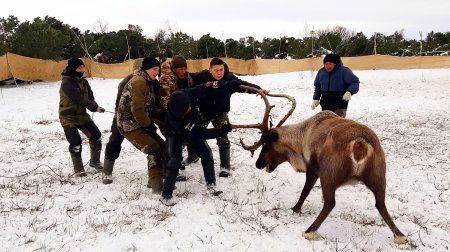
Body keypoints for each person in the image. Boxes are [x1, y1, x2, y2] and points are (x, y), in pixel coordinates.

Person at [160, 79, 264, 206]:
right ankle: (166, 195)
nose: (188, 110)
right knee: (175, 159)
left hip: (193, 126)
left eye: (188, 108)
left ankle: (211, 184)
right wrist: (222, 130)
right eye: (184, 113)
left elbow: (205, 86)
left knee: (206, 153)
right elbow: (202, 133)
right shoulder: (178, 121)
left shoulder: (189, 93)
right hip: (174, 132)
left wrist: (220, 84)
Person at [192, 58, 251, 177]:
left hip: (220, 113)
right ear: (210, 70)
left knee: (222, 137)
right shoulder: (202, 76)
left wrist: (260, 90)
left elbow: (243, 85)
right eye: (216, 70)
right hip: (203, 112)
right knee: (195, 135)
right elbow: (188, 77)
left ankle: (225, 166)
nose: (219, 73)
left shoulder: (229, 78)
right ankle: (193, 156)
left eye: (221, 70)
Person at [116, 57, 166, 193]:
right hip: (129, 125)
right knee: (153, 148)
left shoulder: (148, 81)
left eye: (158, 69)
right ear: (146, 69)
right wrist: (148, 125)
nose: (157, 72)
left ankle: (157, 178)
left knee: (163, 146)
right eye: (154, 69)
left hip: (140, 122)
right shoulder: (139, 81)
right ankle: (157, 188)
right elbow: (137, 110)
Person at [58, 58, 105, 177]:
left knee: (96, 136)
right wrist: (93, 108)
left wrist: (96, 106)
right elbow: (78, 99)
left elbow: (90, 97)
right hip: (68, 117)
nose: (82, 70)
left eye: (83, 67)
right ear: (73, 69)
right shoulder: (66, 83)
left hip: (82, 115)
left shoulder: (84, 82)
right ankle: (79, 169)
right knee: (75, 142)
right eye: (79, 68)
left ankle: (94, 162)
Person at [159, 55, 199, 181]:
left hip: (185, 113)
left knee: (191, 133)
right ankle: (172, 170)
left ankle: (192, 156)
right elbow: (165, 101)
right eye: (180, 69)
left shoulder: (188, 78)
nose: (183, 71)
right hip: (170, 115)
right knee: (173, 142)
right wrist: (180, 110)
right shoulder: (166, 79)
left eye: (185, 68)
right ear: (173, 69)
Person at [101, 73, 134, 184]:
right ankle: (107, 171)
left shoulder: (152, 81)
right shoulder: (125, 83)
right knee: (115, 140)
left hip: (142, 116)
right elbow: (119, 104)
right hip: (122, 116)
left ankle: (158, 172)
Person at [311, 54, 359, 118]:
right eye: (326, 64)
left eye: (330, 64)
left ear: (335, 64)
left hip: (339, 105)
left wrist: (349, 91)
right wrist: (316, 98)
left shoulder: (344, 71)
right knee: (325, 124)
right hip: (325, 105)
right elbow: (318, 86)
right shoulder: (321, 72)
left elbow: (354, 82)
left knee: (337, 125)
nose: (328, 66)